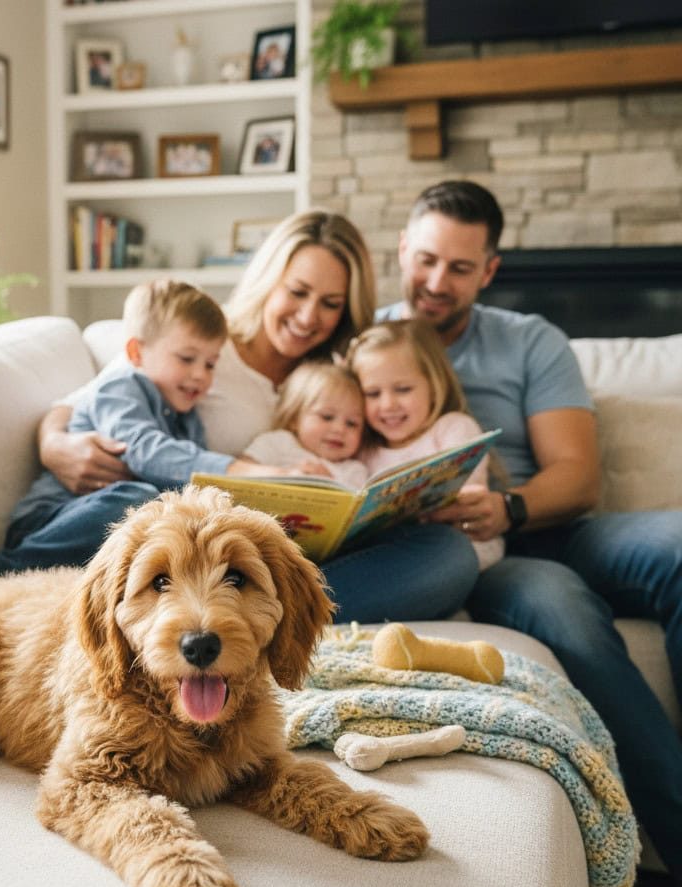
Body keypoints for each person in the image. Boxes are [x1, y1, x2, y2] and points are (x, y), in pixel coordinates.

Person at [378, 179, 682, 882]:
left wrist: (508, 507)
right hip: (477, 558)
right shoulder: (370, 345)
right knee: (563, 611)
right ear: (402, 248)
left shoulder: (528, 341)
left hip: (545, 522)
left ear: (489, 271)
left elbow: (578, 478)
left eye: (459, 268)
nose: (435, 282)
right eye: (425, 260)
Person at [35, 209, 480, 624]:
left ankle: (273, 616)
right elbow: (86, 402)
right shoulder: (205, 347)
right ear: (270, 280)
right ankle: (271, 616)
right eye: (297, 292)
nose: (309, 316)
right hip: (202, 543)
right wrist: (54, 443)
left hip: (286, 550)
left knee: (450, 554)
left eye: (330, 303)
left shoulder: (337, 375)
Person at [0, 280, 293, 579]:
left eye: (210, 364)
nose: (199, 375)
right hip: (53, 521)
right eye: (186, 359)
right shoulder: (118, 389)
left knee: (182, 520)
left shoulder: (188, 417)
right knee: (140, 501)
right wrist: (243, 472)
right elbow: (146, 451)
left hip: (113, 534)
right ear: (136, 353)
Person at [347, 319, 503, 571]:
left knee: (444, 551)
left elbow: (468, 492)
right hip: (393, 555)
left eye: (403, 389)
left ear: (434, 384)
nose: (388, 405)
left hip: (459, 550)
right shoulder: (363, 449)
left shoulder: (452, 428)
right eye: (373, 394)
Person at [242, 361, 368, 487]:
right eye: (327, 417)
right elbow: (240, 470)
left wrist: (329, 483)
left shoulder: (354, 471)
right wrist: (286, 474)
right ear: (294, 418)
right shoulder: (278, 443)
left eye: (352, 423)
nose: (340, 429)